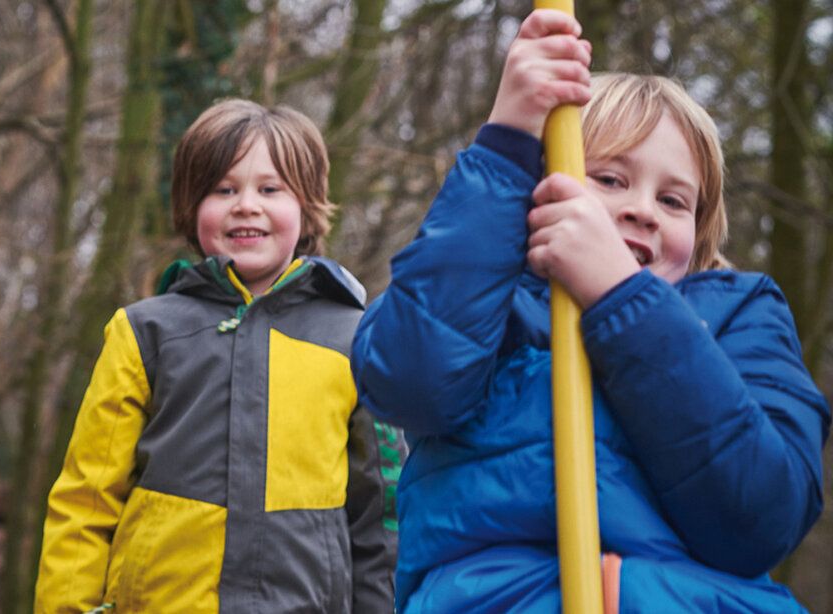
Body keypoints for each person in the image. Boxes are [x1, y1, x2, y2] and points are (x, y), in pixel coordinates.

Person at [351, 9, 829, 613]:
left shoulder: (741, 315)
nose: (642, 209)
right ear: (538, 189)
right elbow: (408, 383)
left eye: (674, 200)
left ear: (701, 228)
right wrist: (507, 141)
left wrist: (624, 300)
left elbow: (762, 518)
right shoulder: (487, 305)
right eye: (608, 177)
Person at [35, 99, 405, 613]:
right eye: (223, 189)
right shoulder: (144, 332)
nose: (245, 205)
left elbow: (381, 517)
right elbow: (86, 501)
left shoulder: (357, 340)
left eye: (270, 189)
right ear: (192, 205)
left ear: (308, 205)